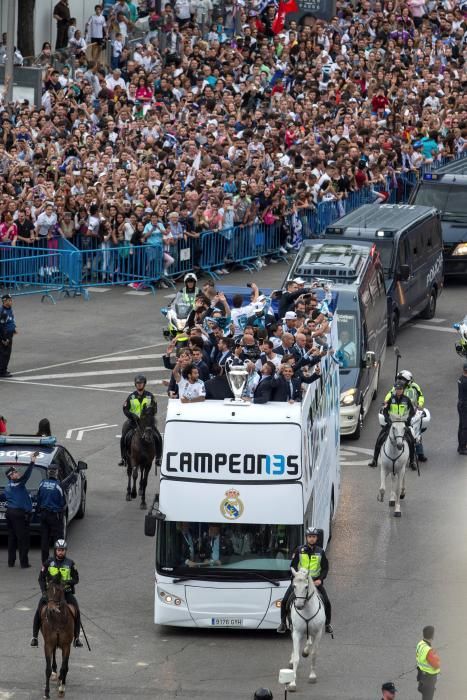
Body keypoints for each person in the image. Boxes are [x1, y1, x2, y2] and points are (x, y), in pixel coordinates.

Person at [277, 527, 333, 635]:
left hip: (315, 582)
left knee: (326, 601)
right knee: (285, 601)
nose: (311, 539)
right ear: (306, 538)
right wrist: (296, 578)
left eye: (314, 537)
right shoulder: (299, 550)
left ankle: (327, 624)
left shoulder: (320, 552)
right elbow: (293, 565)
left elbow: (325, 568)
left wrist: (320, 580)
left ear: (317, 538)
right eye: (309, 537)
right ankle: (283, 623)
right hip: (301, 582)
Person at [31, 539, 83, 648]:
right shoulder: (48, 562)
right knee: (39, 609)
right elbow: (41, 578)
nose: (61, 552)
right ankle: (34, 637)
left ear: (65, 551)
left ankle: (77, 638)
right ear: (55, 550)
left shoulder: (70, 563)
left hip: (66, 593)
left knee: (77, 610)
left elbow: (76, 579)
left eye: (63, 550)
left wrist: (68, 582)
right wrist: (44, 592)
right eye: (59, 550)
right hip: (51, 594)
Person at [368, 380, 416, 469]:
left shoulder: (407, 400)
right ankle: (374, 460)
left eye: (400, 389)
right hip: (392, 424)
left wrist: (408, 419)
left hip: (403, 424)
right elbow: (385, 411)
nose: (399, 390)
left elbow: (412, 412)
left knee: (411, 440)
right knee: (380, 438)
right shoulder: (391, 399)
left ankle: (412, 461)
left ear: (403, 390)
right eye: (397, 389)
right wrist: (388, 420)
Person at [5, 452, 38, 568]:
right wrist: (32, 462)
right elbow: (26, 476)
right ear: (11, 476)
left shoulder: (8, 486)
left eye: (16, 471)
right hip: (18, 515)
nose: (17, 473)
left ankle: (11, 562)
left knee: (12, 538)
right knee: (23, 539)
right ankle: (24, 563)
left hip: (10, 513)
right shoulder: (17, 484)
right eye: (14, 472)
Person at [119, 375, 157, 466]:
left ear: (144, 384)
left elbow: (155, 409)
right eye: (137, 383)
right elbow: (125, 409)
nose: (139, 385)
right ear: (135, 385)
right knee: (124, 437)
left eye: (141, 383)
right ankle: (123, 458)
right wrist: (132, 415)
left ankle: (158, 458)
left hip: (146, 421)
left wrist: (149, 413)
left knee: (157, 436)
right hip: (133, 422)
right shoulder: (131, 397)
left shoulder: (150, 396)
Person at [37, 464, 66, 564]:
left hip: (44, 514)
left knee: (44, 539)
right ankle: (57, 561)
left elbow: (39, 499)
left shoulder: (42, 483)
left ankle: (45, 562)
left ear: (48, 473)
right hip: (54, 516)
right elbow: (63, 502)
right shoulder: (58, 485)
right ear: (56, 473)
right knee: (58, 539)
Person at [396, 369, 427, 461]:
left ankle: (420, 454)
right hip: (399, 414)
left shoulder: (415, 387)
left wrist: (420, 404)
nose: (400, 381)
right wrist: (386, 402)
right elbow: (390, 394)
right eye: (399, 379)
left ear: (408, 380)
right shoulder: (397, 387)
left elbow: (421, 395)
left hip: (413, 412)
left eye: (402, 379)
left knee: (416, 434)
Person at [416, 625, 440, 700]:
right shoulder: (429, 650)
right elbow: (436, 665)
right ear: (432, 636)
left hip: (422, 677)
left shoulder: (420, 644)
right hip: (428, 680)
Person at [0, 293, 16, 377]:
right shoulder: (3, 312)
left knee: (7, 353)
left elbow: (10, 321)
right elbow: (1, 326)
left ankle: (3, 369)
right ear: (4, 301)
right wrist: (3, 339)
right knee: (4, 354)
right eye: (9, 300)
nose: (11, 301)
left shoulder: (9, 309)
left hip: (9, 334)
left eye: (11, 300)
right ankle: (2, 371)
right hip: (4, 335)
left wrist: (13, 329)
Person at [458, 362, 467, 455]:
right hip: (465, 405)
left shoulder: (460, 379)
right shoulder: (465, 381)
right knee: (465, 427)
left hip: (460, 404)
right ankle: (463, 447)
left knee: (461, 426)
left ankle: (460, 445)